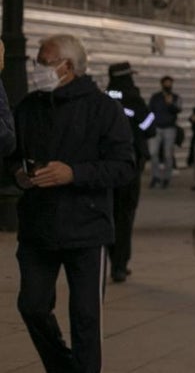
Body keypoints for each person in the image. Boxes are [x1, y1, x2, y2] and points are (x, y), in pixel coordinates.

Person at [8, 34, 135, 373]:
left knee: (86, 318)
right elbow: (11, 156)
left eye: (44, 62)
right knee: (32, 306)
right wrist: (19, 175)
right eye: (36, 61)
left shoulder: (103, 108)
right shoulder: (29, 107)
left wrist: (74, 174)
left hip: (86, 229)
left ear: (67, 67)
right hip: (38, 227)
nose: (37, 69)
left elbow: (124, 166)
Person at [106, 61, 152, 284]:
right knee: (125, 215)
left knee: (111, 214)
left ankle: (113, 258)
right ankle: (120, 265)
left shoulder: (105, 98)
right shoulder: (134, 99)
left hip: (108, 166)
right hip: (130, 165)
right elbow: (149, 126)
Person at [147, 74, 181, 189]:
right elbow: (150, 111)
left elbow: (178, 110)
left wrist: (170, 104)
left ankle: (167, 177)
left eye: (170, 83)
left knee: (168, 154)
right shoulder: (155, 97)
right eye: (166, 83)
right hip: (156, 128)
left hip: (170, 128)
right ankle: (155, 176)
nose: (168, 85)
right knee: (153, 153)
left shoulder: (176, 97)